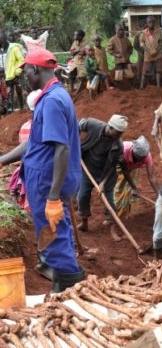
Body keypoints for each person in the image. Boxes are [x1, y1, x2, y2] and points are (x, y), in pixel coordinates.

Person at [0, 49, 84, 292]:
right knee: (58, 233)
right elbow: (34, 141)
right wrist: (3, 160)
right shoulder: (52, 97)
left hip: (48, 182)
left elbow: (62, 149)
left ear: (35, 69)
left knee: (54, 236)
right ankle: (67, 282)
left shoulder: (52, 102)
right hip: (46, 179)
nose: (24, 75)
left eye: (25, 70)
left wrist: (54, 197)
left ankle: (68, 289)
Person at [77, 115, 128, 231]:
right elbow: (77, 125)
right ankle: (84, 222)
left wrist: (103, 183)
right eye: (118, 132)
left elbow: (112, 166)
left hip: (106, 175)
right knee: (82, 196)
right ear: (110, 127)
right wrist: (76, 143)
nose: (120, 136)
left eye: (121, 133)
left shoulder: (118, 145)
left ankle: (112, 229)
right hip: (88, 170)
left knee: (109, 201)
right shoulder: (93, 124)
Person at [113, 136, 159, 240]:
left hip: (132, 169)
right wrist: (134, 187)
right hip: (117, 166)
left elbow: (152, 177)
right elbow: (125, 171)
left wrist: (158, 194)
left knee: (128, 195)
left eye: (143, 158)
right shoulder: (123, 150)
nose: (142, 160)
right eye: (139, 158)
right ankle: (112, 219)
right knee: (118, 193)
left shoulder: (146, 156)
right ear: (134, 152)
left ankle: (123, 215)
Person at [140, 16, 162, 89]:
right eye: (149, 22)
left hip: (158, 54)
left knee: (158, 70)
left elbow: (161, 42)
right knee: (145, 71)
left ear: (155, 23)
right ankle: (141, 86)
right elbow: (142, 42)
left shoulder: (158, 32)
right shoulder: (144, 33)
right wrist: (148, 50)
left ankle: (158, 86)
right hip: (148, 55)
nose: (151, 24)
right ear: (147, 23)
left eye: (153, 22)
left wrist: (157, 50)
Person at [4, 30, 25, 111]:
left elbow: (22, 59)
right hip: (9, 74)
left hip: (17, 74)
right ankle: (10, 110)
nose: (11, 38)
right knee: (9, 93)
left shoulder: (17, 47)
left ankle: (22, 108)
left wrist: (18, 72)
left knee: (19, 91)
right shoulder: (6, 49)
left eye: (13, 36)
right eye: (9, 36)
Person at [69, 30, 87, 95]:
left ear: (80, 36)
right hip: (76, 61)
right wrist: (78, 51)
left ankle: (78, 91)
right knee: (71, 72)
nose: (74, 36)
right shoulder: (75, 42)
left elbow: (85, 52)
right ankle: (71, 88)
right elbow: (71, 52)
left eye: (75, 35)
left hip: (84, 61)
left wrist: (77, 51)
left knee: (82, 75)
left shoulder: (86, 43)